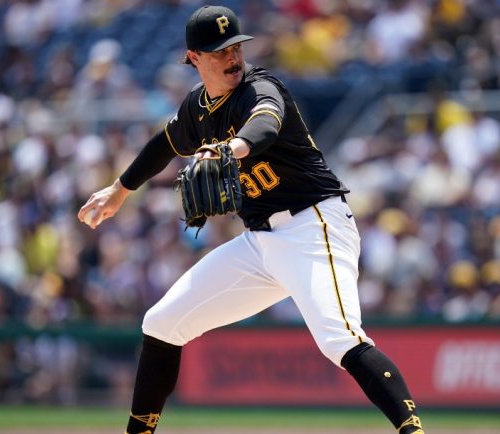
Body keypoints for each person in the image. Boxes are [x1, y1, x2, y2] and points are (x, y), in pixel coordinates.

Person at [77, 5, 424, 434]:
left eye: (235, 47)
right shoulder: (197, 109)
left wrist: (231, 148)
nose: (232, 57)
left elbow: (265, 124)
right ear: (193, 58)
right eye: (219, 51)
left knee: (340, 338)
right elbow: (163, 144)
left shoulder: (261, 88)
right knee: (161, 323)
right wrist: (120, 189)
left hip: (314, 226)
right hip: (260, 244)